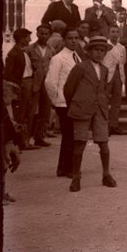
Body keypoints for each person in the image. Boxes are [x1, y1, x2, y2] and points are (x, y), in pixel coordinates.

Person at [63, 35, 117, 192]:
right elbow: (69, 89)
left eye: (102, 51)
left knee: (104, 145)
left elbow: (102, 89)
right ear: (89, 52)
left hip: (99, 110)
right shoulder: (81, 67)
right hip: (82, 110)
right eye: (96, 50)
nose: (99, 53)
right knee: (79, 144)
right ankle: (75, 177)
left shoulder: (105, 70)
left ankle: (106, 174)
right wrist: (75, 105)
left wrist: (103, 101)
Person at [45, 28, 82, 178]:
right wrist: (56, 99)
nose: (74, 41)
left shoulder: (76, 56)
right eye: (70, 38)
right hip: (63, 103)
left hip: (74, 102)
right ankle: (67, 169)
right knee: (69, 136)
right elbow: (50, 82)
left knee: (70, 136)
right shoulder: (58, 58)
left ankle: (63, 168)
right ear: (64, 40)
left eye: (76, 38)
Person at [28, 25, 54, 147]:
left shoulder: (51, 50)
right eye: (41, 33)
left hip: (47, 84)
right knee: (31, 111)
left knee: (45, 111)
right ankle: (26, 138)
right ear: (37, 34)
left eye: (46, 34)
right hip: (34, 84)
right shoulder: (29, 49)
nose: (43, 36)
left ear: (49, 35)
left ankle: (40, 137)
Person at [103, 25, 127, 136]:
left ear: (119, 34)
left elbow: (123, 62)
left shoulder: (121, 47)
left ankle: (114, 125)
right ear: (108, 33)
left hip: (118, 74)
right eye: (112, 31)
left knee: (117, 102)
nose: (114, 34)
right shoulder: (104, 46)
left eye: (116, 31)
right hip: (107, 75)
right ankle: (104, 126)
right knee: (104, 101)